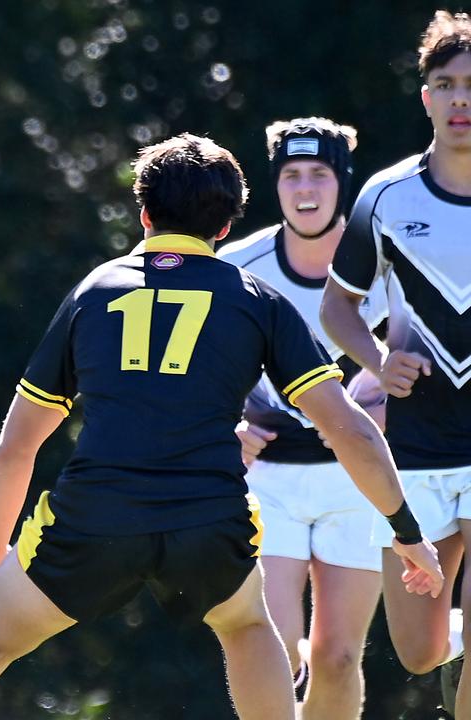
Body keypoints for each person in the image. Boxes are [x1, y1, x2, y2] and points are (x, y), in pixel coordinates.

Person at [0, 133, 443, 720]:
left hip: (95, 516)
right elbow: (352, 430)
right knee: (245, 625)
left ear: (143, 215)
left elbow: (17, 445)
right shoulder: (256, 299)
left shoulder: (96, 291)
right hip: (207, 522)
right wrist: (406, 530)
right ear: (223, 228)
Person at [321, 10, 471, 717]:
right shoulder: (385, 197)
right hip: (415, 455)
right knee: (418, 651)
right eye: (445, 84)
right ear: (425, 98)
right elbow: (336, 310)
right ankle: (456, 646)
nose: (460, 99)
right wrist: (381, 360)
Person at [218, 117, 390, 719]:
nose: (306, 187)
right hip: (267, 480)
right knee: (275, 648)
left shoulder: (390, 264)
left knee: (338, 658)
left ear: (344, 183)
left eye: (320, 172)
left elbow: (431, 364)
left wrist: (396, 405)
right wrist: (228, 427)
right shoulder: (237, 264)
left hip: (359, 481)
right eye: (292, 174)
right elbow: (204, 368)